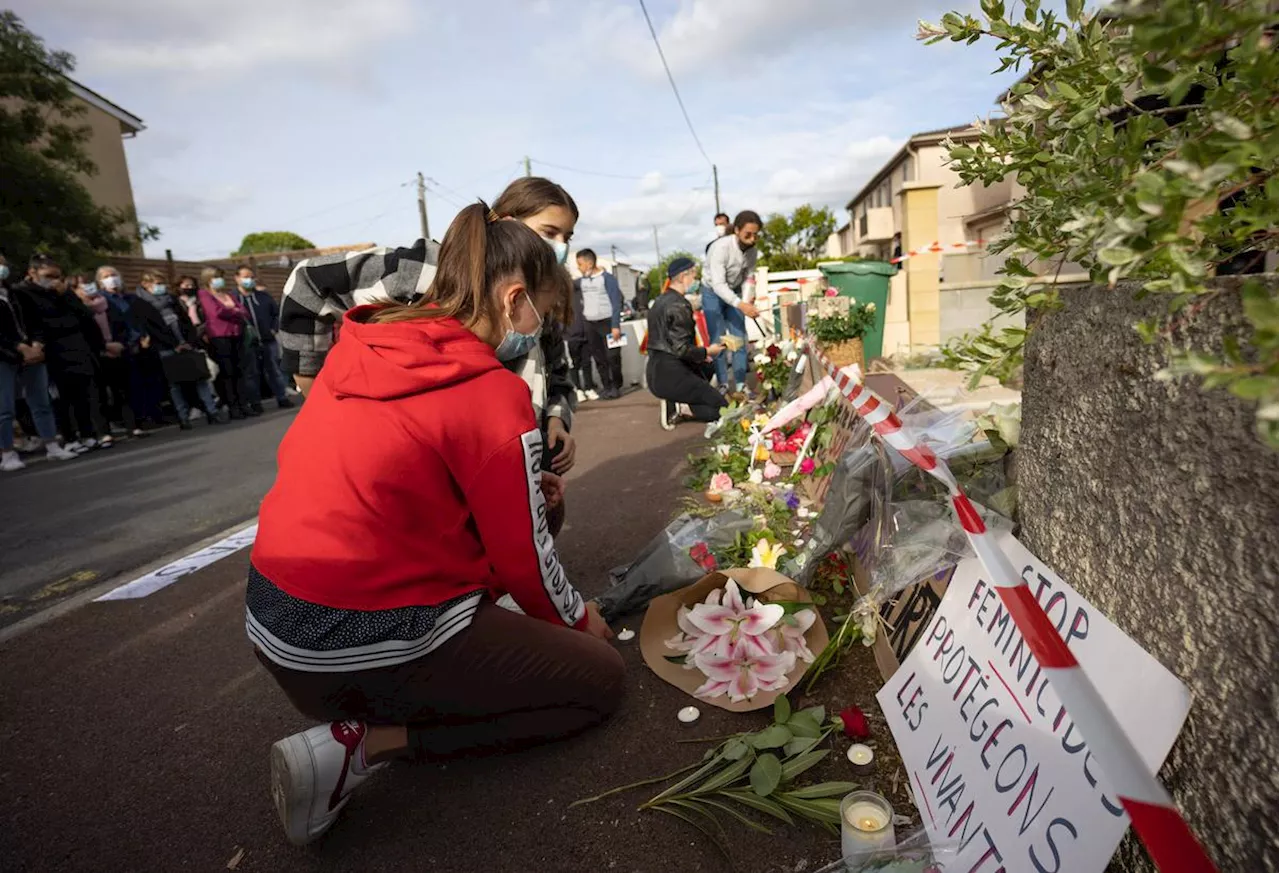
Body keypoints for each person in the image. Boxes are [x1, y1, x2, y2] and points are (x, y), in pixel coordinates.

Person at [248, 202, 622, 847]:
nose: (540, 329)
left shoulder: (364, 341)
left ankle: (432, 674)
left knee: (539, 515)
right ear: (512, 301)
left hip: (275, 625)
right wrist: (577, 624)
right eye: (542, 312)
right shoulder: (490, 391)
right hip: (357, 643)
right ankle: (361, 748)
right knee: (599, 681)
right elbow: (526, 563)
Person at [278, 177, 580, 488]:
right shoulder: (431, 267)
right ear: (506, 222)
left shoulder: (543, 294)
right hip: (428, 467)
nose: (559, 248)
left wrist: (557, 418)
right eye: (549, 233)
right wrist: (309, 380)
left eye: (566, 237)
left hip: (513, 455)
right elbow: (309, 282)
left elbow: (557, 369)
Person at [14, 255, 112, 452]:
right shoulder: (22, 293)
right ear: (33, 273)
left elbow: (84, 315)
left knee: (82, 393)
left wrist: (66, 294)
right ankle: (69, 438)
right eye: (48, 275)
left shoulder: (63, 292)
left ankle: (88, 434)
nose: (54, 280)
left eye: (57, 276)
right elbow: (32, 323)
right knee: (60, 398)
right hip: (50, 349)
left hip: (75, 346)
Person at [0, 254, 79, 470]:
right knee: (4, 408)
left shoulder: (16, 293)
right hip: (5, 356)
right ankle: (7, 454)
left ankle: (52, 446)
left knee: (41, 402)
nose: (2, 267)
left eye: (3, 263)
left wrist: (37, 344)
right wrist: (19, 347)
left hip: (33, 354)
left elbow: (35, 321)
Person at [645, 257, 727, 424]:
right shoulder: (679, 304)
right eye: (694, 275)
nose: (695, 280)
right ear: (683, 277)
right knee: (723, 408)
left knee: (707, 367)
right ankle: (680, 407)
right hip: (673, 374)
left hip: (656, 372)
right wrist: (708, 350)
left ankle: (680, 401)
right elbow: (682, 349)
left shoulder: (659, 301)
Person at [140, 271, 222, 429]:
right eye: (157, 283)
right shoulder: (143, 304)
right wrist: (173, 344)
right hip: (166, 349)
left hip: (186, 344)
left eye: (162, 283)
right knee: (175, 385)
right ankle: (183, 417)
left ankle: (212, 412)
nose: (160, 287)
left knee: (201, 379)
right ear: (146, 285)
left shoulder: (172, 300)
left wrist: (189, 341)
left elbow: (186, 322)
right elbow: (152, 329)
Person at [98, 265, 167, 434]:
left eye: (114, 275)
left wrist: (144, 336)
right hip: (119, 346)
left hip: (141, 342)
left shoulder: (131, 298)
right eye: (107, 276)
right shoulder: (102, 301)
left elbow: (141, 318)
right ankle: (132, 422)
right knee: (125, 387)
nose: (112, 279)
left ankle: (152, 415)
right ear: (100, 281)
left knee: (149, 381)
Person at [703, 209, 763, 392]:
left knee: (739, 338)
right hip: (712, 291)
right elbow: (719, 284)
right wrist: (742, 305)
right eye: (748, 234)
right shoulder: (720, 248)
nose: (752, 239)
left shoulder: (753, 251)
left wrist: (747, 301)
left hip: (735, 290)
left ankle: (740, 383)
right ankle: (722, 384)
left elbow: (749, 277)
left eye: (756, 235)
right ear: (737, 230)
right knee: (719, 339)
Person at [199, 267, 256, 419]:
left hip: (236, 334)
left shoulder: (228, 294)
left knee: (239, 371)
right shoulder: (205, 295)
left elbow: (244, 312)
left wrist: (233, 311)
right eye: (216, 277)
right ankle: (233, 406)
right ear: (208, 279)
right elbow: (216, 312)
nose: (220, 280)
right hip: (219, 336)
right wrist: (234, 311)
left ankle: (244, 404)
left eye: (221, 276)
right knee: (227, 373)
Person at [235, 265, 293, 411]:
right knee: (251, 373)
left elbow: (276, 314)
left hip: (268, 339)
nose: (249, 280)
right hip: (247, 343)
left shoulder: (264, 296)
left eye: (251, 277)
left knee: (274, 370)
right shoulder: (233, 298)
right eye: (245, 276)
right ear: (236, 278)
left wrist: (274, 329)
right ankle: (255, 402)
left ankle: (282, 397)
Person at [573, 249, 624, 400]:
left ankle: (616, 385)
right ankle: (606, 386)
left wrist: (616, 325)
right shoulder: (581, 282)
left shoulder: (607, 279)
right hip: (591, 324)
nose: (578, 267)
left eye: (580, 264)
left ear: (589, 263)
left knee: (613, 357)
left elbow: (616, 302)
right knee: (599, 358)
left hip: (608, 323)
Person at [566, 276, 597, 401]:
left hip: (586, 334)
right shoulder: (562, 297)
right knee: (573, 364)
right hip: (570, 336)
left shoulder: (582, 293)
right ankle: (577, 389)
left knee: (587, 362)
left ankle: (589, 388)